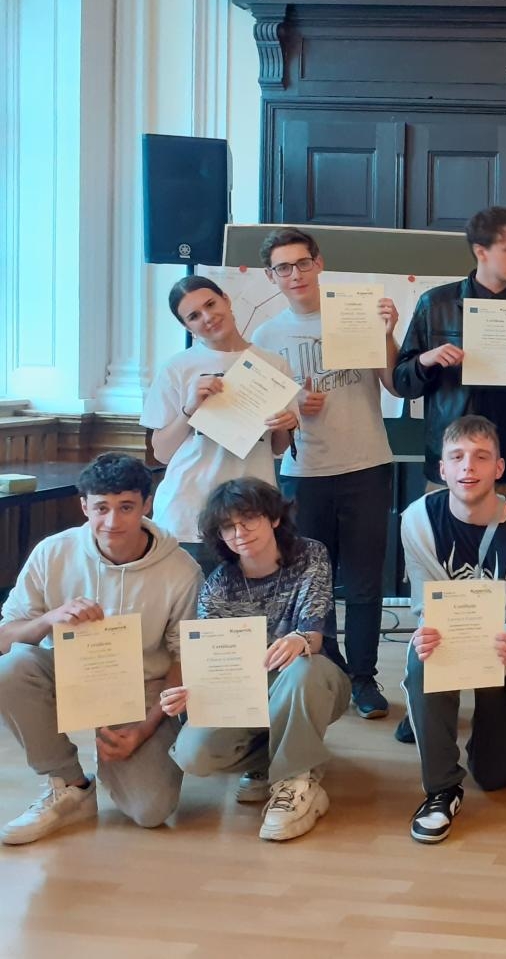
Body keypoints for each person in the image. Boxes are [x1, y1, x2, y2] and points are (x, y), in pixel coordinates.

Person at [0, 453, 200, 844]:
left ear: (147, 504)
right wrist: (50, 618)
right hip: (67, 674)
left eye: (126, 507)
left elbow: (183, 659)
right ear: (84, 507)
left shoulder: (182, 570)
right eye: (101, 508)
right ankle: (69, 784)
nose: (112, 522)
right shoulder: (52, 552)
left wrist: (143, 730)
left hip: (141, 689)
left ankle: (116, 756)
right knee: (11, 667)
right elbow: (5, 638)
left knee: (151, 811)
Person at [252, 227, 400, 719]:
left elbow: (395, 385)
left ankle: (363, 678)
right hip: (304, 471)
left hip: (366, 464)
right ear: (271, 276)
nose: (295, 274)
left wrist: (387, 334)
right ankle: (329, 672)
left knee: (364, 583)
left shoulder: (356, 314)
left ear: (319, 263)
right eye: (283, 268)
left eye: (302, 263)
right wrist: (294, 406)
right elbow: (263, 414)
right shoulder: (265, 337)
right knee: (314, 582)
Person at [164, 478, 351, 842]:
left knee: (300, 668)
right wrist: (193, 693)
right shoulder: (217, 586)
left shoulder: (310, 554)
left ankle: (295, 782)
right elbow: (213, 663)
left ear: (274, 518)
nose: (240, 533)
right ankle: (280, 759)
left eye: (249, 519)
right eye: (228, 526)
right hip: (243, 692)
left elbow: (313, 635)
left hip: (315, 679)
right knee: (193, 754)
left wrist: (298, 638)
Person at [401, 416, 506, 844]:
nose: (468, 466)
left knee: (493, 776)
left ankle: (502, 736)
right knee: (422, 658)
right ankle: (441, 789)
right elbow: (425, 603)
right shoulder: (417, 521)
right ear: (442, 469)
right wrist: (427, 629)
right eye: (457, 457)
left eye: (481, 457)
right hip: (453, 643)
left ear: (499, 468)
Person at [393, 206, 506, 504]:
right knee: (446, 536)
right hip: (454, 467)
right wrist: (427, 360)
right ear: (481, 251)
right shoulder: (435, 306)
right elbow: (403, 383)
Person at [141, 275, 298, 572]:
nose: (208, 317)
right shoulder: (177, 368)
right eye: (194, 316)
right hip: (190, 510)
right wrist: (190, 409)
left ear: (226, 299)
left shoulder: (273, 364)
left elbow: (277, 447)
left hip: (250, 514)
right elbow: (161, 453)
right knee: (189, 600)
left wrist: (284, 425)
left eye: (211, 304)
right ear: (187, 327)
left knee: (248, 600)